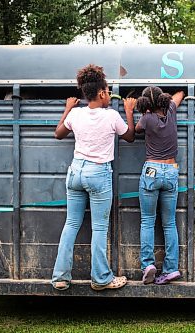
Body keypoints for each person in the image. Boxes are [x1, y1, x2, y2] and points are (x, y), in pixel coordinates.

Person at [51, 64, 135, 291]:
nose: (109, 95)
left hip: (76, 171)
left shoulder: (76, 113)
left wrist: (68, 108)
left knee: (71, 224)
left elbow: (58, 134)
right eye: (107, 91)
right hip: (98, 173)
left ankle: (60, 277)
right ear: (101, 93)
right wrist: (129, 110)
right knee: (99, 227)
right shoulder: (111, 115)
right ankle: (101, 279)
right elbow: (129, 136)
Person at [136, 86, 184, 285]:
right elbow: (180, 94)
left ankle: (148, 265)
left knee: (147, 220)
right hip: (171, 169)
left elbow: (136, 130)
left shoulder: (146, 119)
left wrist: (131, 110)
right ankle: (171, 269)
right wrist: (168, 100)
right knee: (169, 222)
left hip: (152, 170)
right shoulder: (172, 111)